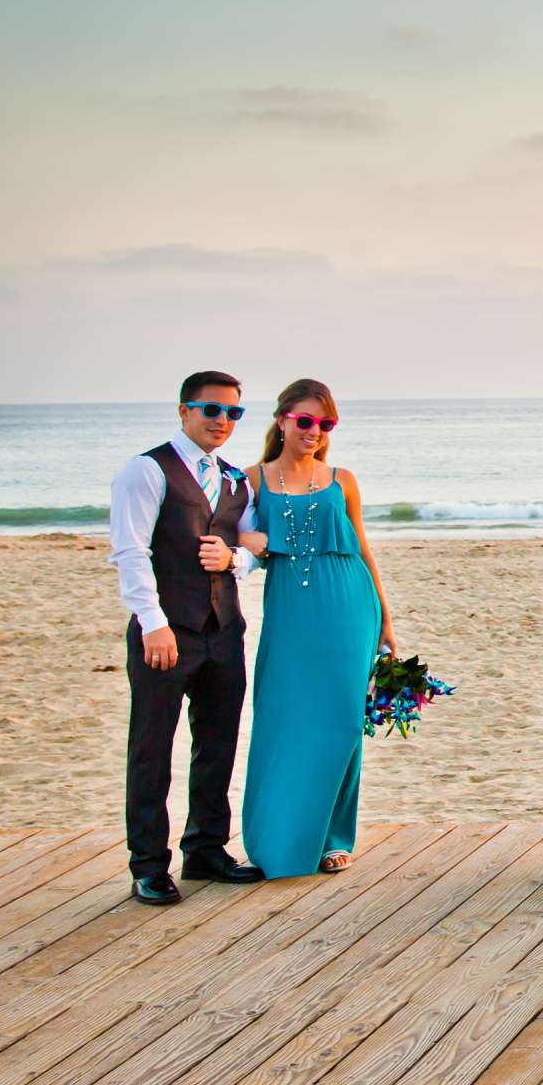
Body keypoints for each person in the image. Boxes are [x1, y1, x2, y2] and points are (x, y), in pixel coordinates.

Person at [107, 370, 265, 904]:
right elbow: (130, 552)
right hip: (166, 632)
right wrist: (152, 623)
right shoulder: (147, 471)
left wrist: (236, 558)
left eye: (233, 413)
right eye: (211, 410)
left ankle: (205, 849)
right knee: (151, 748)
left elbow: (251, 545)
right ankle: (149, 864)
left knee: (217, 742)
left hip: (224, 629)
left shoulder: (234, 480)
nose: (222, 421)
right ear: (184, 410)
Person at [238, 379, 396, 877]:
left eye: (325, 424)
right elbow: (235, 538)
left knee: (344, 722)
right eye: (305, 421)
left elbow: (364, 549)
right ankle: (277, 838)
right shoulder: (252, 479)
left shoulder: (342, 478)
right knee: (284, 717)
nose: (315, 431)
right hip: (290, 612)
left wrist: (386, 620)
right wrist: (255, 539)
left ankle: (333, 837)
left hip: (350, 605)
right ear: (282, 420)